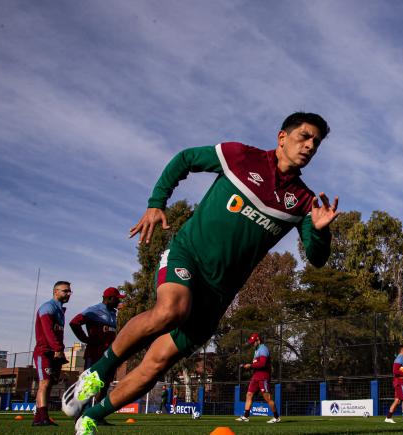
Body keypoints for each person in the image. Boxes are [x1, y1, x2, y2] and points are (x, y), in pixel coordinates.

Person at [64, 112, 338, 434]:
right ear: (282, 137)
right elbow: (186, 159)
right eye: (304, 136)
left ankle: (91, 417)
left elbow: (317, 258)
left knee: (159, 361)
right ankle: (96, 372)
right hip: (188, 255)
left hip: (219, 293)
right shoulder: (240, 156)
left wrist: (320, 231)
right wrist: (156, 202)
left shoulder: (304, 201)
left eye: (316, 143)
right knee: (171, 310)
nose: (309, 146)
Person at [69, 287, 125, 425]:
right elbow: (74, 322)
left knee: (105, 385)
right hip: (95, 354)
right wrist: (85, 339)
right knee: (89, 384)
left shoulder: (113, 313)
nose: (119, 300)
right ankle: (82, 415)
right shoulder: (93, 310)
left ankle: (97, 415)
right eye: (117, 298)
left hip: (109, 355)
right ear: (109, 298)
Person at [32, 281, 72, 426]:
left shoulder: (60, 310)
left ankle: (40, 417)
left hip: (55, 352)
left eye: (69, 291)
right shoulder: (47, 307)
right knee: (45, 383)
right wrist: (57, 349)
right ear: (55, 292)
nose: (68, 294)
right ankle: (42, 417)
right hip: (45, 352)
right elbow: (48, 331)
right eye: (65, 291)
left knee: (49, 384)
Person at [237, 333, 280, 423]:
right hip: (255, 377)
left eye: (253, 342)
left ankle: (276, 417)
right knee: (249, 395)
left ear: (258, 340)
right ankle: (246, 416)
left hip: (263, 377)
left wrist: (250, 365)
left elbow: (262, 364)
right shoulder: (257, 350)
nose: (252, 344)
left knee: (267, 398)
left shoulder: (263, 349)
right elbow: (257, 363)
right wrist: (248, 366)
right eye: (251, 342)